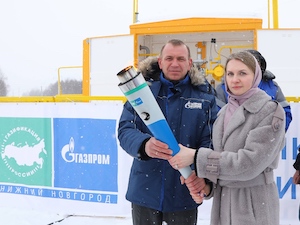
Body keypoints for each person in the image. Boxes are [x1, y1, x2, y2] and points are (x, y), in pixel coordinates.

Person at [169, 51, 286, 225]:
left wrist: (196, 157)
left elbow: (248, 164)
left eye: (242, 73)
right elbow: (221, 163)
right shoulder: (223, 113)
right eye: (230, 74)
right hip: (223, 208)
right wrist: (206, 184)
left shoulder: (270, 111)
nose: (235, 79)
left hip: (254, 206)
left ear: (256, 77)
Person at [117, 39, 218, 225]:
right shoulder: (142, 92)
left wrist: (199, 172)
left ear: (189, 63)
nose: (174, 64)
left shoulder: (205, 97)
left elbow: (211, 141)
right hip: (144, 192)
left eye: (180, 59)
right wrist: (144, 145)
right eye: (169, 58)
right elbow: (125, 130)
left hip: (183, 192)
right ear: (160, 61)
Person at [215, 49, 292, 132]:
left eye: (256, 63)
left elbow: (285, 114)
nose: (235, 80)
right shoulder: (224, 88)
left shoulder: (272, 86)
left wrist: (273, 133)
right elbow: (216, 117)